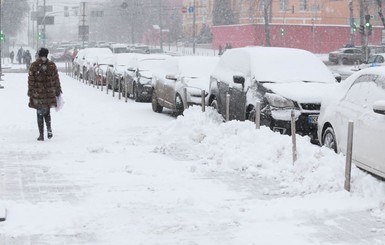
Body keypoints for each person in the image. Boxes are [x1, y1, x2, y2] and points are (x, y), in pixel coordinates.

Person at [27, 48, 62, 141]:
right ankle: (49, 129)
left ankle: (41, 135)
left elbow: (31, 81)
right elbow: (56, 79)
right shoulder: (51, 65)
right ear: (47, 55)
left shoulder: (34, 66)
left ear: (39, 55)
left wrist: (30, 92)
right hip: (49, 93)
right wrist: (58, 90)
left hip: (38, 94)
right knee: (47, 113)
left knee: (39, 114)